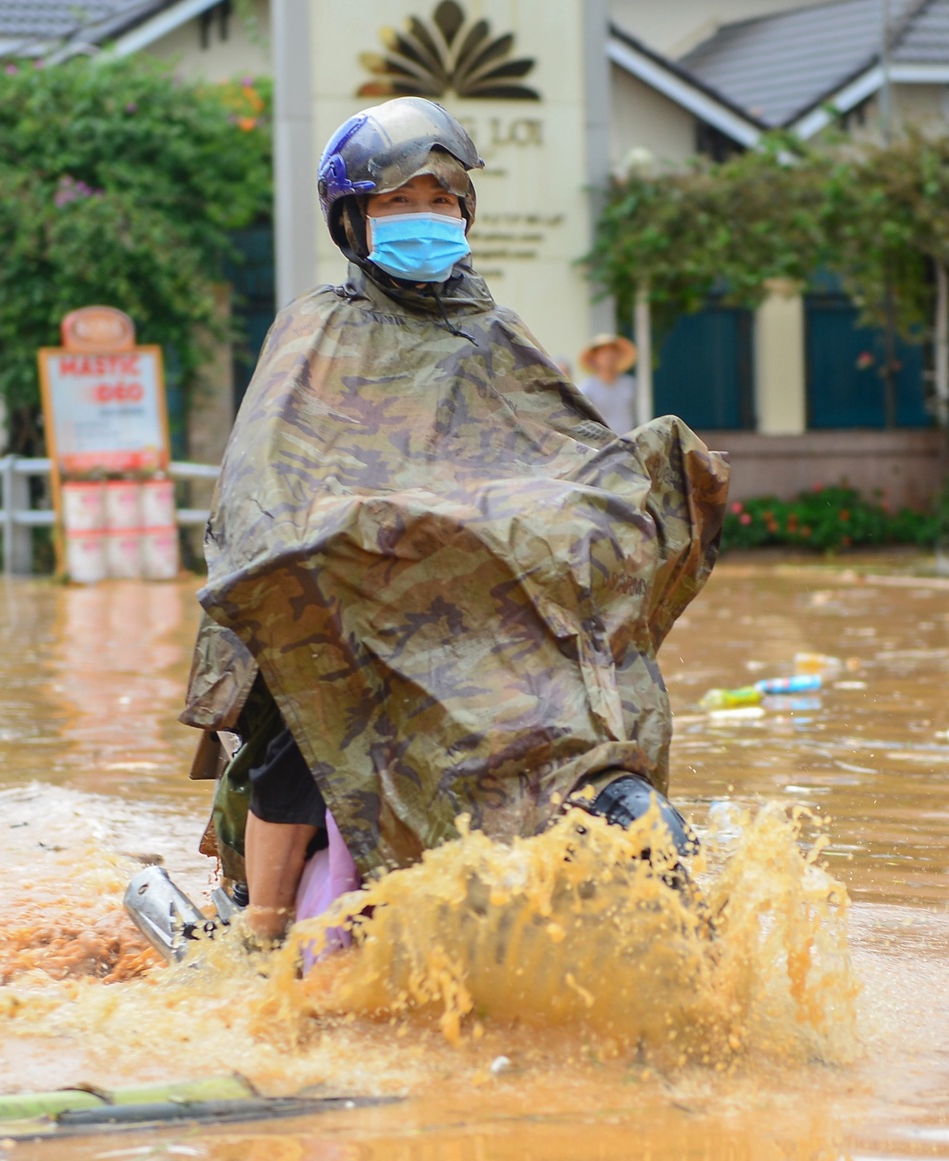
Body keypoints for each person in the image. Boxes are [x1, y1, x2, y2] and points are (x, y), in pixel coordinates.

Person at [180, 98, 727, 946]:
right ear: (355, 223)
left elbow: (568, 459)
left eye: (440, 202)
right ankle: (261, 925)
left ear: (466, 213)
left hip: (473, 609)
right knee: (307, 719)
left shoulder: (496, 336)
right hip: (351, 602)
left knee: (595, 701)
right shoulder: (319, 329)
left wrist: (631, 498)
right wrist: (317, 541)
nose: (424, 219)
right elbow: (263, 475)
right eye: (399, 204)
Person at [576, 333, 639, 438]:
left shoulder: (630, 385)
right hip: (600, 445)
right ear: (594, 358)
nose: (608, 356)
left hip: (628, 442)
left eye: (612, 352)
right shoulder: (586, 389)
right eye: (603, 352)